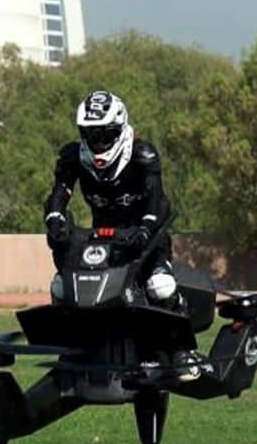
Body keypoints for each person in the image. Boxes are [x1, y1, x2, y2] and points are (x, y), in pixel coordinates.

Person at [43, 90, 184, 314]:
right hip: (101, 240)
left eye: (104, 134)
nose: (98, 143)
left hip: (146, 238)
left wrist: (145, 230)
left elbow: (158, 202)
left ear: (119, 129)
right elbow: (58, 195)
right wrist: (54, 220)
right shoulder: (72, 157)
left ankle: (179, 345)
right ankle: (74, 346)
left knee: (161, 287)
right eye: (91, 135)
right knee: (62, 287)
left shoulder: (142, 157)